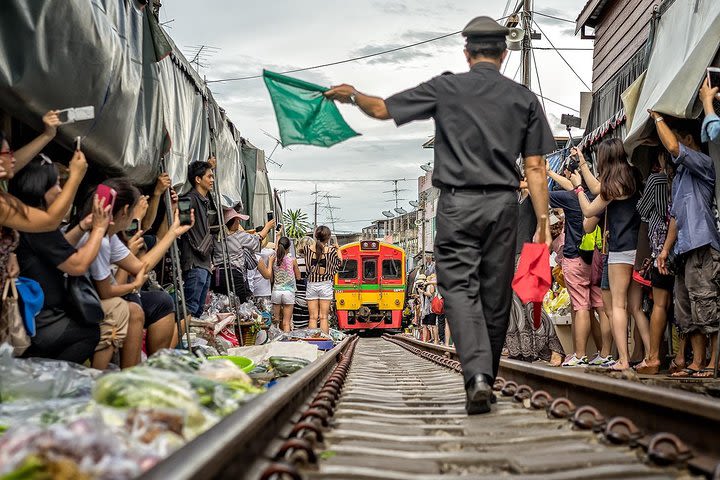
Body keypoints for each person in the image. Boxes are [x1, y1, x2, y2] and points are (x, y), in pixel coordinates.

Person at [325, 16, 554, 414]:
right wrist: (543, 224)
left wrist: (353, 95)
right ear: (504, 52)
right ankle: (486, 376)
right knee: (495, 297)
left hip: (456, 205)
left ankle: (477, 377)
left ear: (467, 53)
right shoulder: (524, 99)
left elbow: (381, 109)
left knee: (460, 291)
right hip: (502, 206)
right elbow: (535, 168)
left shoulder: (447, 88)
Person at [10, 156, 130, 366]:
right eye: (55, 184)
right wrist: (100, 229)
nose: (59, 191)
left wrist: (83, 226)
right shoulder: (39, 226)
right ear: (39, 188)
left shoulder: (27, 221)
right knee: (88, 332)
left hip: (39, 311)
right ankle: (51, 381)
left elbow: (58, 248)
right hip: (39, 320)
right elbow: (77, 265)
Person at [74, 178, 194, 368]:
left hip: (103, 295)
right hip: (85, 301)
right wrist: (134, 284)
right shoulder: (101, 239)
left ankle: (151, 367)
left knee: (162, 301)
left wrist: (173, 231)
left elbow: (140, 266)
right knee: (133, 308)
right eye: (134, 211)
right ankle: (129, 372)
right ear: (124, 212)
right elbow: (109, 289)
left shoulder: (109, 237)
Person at [653, 112, 720, 378]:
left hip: (703, 245)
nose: (672, 148)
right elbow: (675, 217)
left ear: (689, 139)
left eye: (680, 140)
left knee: (707, 304)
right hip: (683, 249)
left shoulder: (702, 162)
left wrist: (658, 119)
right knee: (686, 309)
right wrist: (665, 250)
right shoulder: (679, 176)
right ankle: (698, 361)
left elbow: (672, 146)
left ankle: (713, 363)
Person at [573, 138, 641, 371]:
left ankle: (622, 359)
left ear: (604, 158)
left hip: (621, 249)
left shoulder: (614, 184)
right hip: (638, 247)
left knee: (618, 307)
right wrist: (582, 165)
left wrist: (578, 187)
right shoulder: (632, 175)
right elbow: (598, 190)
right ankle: (650, 355)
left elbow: (589, 209)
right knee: (636, 308)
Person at [546, 154, 605, 367]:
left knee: (580, 306)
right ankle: (604, 353)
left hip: (575, 255)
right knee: (597, 306)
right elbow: (571, 184)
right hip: (596, 258)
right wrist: (553, 172)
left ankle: (579, 355)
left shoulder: (570, 198)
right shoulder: (597, 194)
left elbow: (543, 194)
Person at [634, 151, 674, 374]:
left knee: (659, 303)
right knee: (674, 304)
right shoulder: (677, 179)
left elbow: (641, 209)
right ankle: (679, 356)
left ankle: (653, 357)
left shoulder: (656, 179)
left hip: (660, 245)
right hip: (679, 244)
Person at [212, 208, 274, 303]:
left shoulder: (215, 237)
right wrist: (267, 227)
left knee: (220, 303)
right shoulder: (239, 236)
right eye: (237, 220)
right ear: (232, 222)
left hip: (217, 275)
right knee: (240, 304)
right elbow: (257, 240)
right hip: (234, 274)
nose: (239, 222)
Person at [179, 161, 214, 318]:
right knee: (191, 308)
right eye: (209, 176)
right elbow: (181, 224)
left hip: (204, 264)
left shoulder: (204, 201)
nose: (212, 180)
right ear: (198, 179)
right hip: (194, 262)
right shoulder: (189, 199)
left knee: (198, 309)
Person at [299, 226, 341, 333]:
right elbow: (339, 262)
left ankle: (312, 342)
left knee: (313, 317)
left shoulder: (307, 250)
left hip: (312, 284)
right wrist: (338, 249)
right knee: (323, 317)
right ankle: (324, 341)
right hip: (325, 285)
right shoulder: (330, 251)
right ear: (328, 238)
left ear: (316, 236)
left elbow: (300, 249)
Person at [271, 236, 301, 331]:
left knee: (276, 321)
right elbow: (298, 276)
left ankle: (275, 342)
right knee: (286, 322)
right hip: (289, 292)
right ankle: (287, 343)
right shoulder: (292, 260)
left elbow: (271, 278)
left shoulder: (274, 260)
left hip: (276, 292)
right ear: (289, 247)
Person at [293, 236, 314, 330]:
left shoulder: (294, 262)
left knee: (299, 329)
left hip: (297, 301)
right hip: (313, 300)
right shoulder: (315, 263)